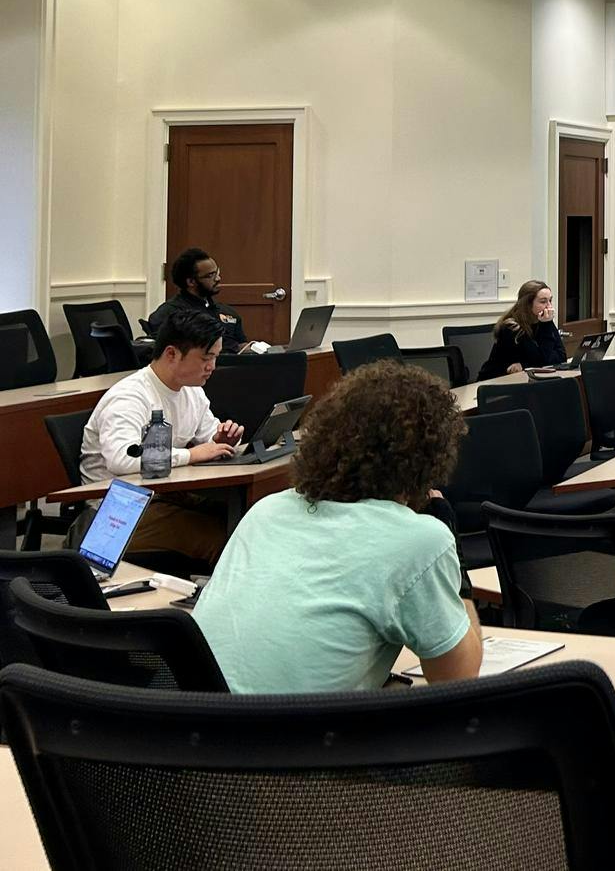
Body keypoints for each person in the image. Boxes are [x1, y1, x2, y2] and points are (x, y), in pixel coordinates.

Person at [194, 361, 482, 691]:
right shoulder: (419, 540)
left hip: (198, 726)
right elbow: (458, 679)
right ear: (429, 461)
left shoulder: (268, 510)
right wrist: (452, 549)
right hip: (297, 737)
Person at [78, 306, 246, 569]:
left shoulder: (191, 390)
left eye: (215, 357)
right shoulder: (129, 396)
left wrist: (221, 437)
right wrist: (191, 454)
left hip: (165, 495)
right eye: (206, 358)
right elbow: (122, 459)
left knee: (245, 520)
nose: (212, 366)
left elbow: (207, 435)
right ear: (172, 354)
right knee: (227, 542)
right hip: (118, 514)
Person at [146, 245, 250, 352]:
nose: (218, 279)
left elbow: (241, 344)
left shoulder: (228, 312)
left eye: (217, 273)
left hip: (236, 365)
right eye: (211, 275)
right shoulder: (170, 313)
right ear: (191, 282)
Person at [480, 279, 566, 380]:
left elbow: (561, 356)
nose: (549, 306)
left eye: (550, 300)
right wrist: (529, 364)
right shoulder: (512, 327)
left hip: (524, 380)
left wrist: (524, 365)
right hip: (495, 382)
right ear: (528, 304)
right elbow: (542, 360)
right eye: (543, 302)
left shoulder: (545, 322)